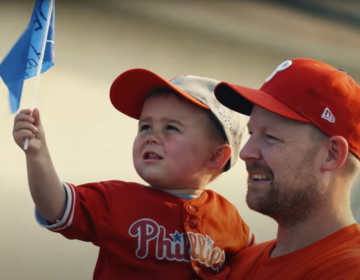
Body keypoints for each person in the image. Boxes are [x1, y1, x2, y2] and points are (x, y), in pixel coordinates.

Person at [13, 69, 255, 280]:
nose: (151, 136)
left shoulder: (231, 221)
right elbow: (56, 207)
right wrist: (37, 154)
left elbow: (258, 267)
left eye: (171, 128)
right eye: (145, 126)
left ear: (216, 157)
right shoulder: (116, 199)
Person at [213, 58, 360, 280]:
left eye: (271, 137)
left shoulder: (349, 269)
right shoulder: (236, 261)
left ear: (332, 155)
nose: (245, 153)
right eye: (252, 134)